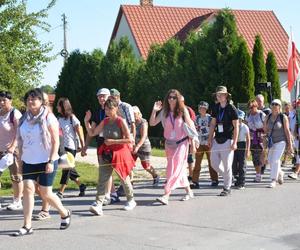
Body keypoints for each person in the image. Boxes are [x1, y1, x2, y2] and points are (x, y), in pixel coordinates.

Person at [14, 88, 71, 236]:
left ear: (41, 101)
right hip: (28, 160)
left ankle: (64, 213)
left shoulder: (48, 117)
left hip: (46, 159)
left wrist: (51, 160)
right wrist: (20, 159)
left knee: (46, 193)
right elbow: (20, 140)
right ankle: (27, 225)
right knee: (27, 188)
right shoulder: (23, 118)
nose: (31, 101)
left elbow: (55, 141)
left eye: (34, 98)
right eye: (28, 99)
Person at [84, 99, 136, 216]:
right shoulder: (105, 121)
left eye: (110, 109)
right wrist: (86, 121)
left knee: (123, 178)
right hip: (106, 153)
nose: (108, 111)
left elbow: (130, 139)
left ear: (116, 108)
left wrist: (113, 141)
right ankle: (98, 204)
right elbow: (92, 133)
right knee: (103, 178)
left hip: (120, 153)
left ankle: (130, 199)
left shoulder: (120, 121)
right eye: (106, 109)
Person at [149, 89, 196, 205]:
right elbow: (152, 123)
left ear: (178, 99)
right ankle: (189, 191)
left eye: (174, 97)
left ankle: (166, 194)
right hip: (169, 144)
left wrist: (193, 145)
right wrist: (154, 111)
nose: (171, 99)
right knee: (174, 168)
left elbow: (191, 128)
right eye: (169, 97)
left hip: (182, 143)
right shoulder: (164, 111)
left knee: (175, 168)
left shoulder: (183, 110)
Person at [81, 88, 120, 204]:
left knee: (113, 171)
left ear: (109, 97)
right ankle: (112, 194)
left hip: (114, 144)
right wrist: (85, 146)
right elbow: (92, 131)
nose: (101, 98)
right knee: (105, 171)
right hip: (101, 145)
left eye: (103, 96)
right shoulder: (97, 112)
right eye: (99, 96)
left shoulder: (116, 111)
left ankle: (113, 195)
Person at [208, 86, 239, 197]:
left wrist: (235, 142)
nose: (219, 96)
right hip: (217, 139)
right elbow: (212, 124)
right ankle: (228, 177)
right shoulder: (215, 107)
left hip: (228, 139)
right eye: (217, 94)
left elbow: (236, 126)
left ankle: (227, 187)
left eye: (221, 94)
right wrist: (210, 138)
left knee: (227, 166)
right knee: (214, 163)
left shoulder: (232, 108)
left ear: (226, 96)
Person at [56, 97, 86, 198]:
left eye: (58, 105)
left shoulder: (72, 118)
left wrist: (83, 146)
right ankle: (81, 186)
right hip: (61, 148)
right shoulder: (59, 119)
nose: (57, 107)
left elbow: (79, 130)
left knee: (66, 169)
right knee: (69, 169)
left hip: (70, 147)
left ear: (63, 107)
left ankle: (61, 192)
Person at [109, 88, 135, 196]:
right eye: (111, 97)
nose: (113, 98)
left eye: (114, 96)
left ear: (118, 96)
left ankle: (128, 184)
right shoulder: (111, 107)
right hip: (117, 138)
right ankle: (126, 184)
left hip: (126, 137)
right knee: (121, 163)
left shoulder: (126, 106)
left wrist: (132, 140)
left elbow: (132, 123)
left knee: (126, 162)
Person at [0, 91, 23, 210]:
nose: (1, 102)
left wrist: (13, 147)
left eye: (4, 100)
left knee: (15, 176)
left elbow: (19, 133)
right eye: (0, 100)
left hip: (12, 150)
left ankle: (17, 201)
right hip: (0, 149)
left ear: (10, 101)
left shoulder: (14, 113)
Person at [264, 99, 293, 188]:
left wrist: (290, 145)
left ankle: (273, 180)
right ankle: (280, 172)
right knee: (270, 160)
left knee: (275, 160)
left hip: (281, 141)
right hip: (271, 142)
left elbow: (287, 131)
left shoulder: (283, 117)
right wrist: (265, 143)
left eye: (276, 104)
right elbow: (265, 131)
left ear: (279, 107)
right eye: (272, 104)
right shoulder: (267, 117)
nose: (274, 106)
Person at [190, 101, 218, 189]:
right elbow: (193, 130)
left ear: (206, 109)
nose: (202, 110)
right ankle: (195, 181)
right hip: (199, 143)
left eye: (204, 108)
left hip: (209, 142)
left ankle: (214, 180)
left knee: (211, 162)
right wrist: (194, 141)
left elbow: (214, 129)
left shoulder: (210, 118)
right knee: (197, 163)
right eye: (200, 108)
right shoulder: (196, 118)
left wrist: (211, 139)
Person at [132, 106, 160, 185]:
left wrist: (137, 147)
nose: (133, 115)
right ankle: (130, 181)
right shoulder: (131, 122)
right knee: (129, 164)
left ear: (138, 113)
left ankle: (156, 175)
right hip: (134, 146)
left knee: (146, 166)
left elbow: (144, 136)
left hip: (144, 146)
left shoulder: (143, 122)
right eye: (132, 114)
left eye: (134, 114)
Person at [245, 100, 266, 182]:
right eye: (249, 108)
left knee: (262, 157)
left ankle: (260, 173)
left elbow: (266, 126)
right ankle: (258, 174)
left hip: (261, 137)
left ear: (256, 106)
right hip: (252, 138)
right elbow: (246, 125)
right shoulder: (248, 115)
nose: (250, 109)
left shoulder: (261, 114)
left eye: (252, 107)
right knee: (255, 157)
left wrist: (264, 136)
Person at [232, 110, 250, 189]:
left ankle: (242, 182)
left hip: (242, 144)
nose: (239, 121)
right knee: (234, 163)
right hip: (234, 144)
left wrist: (248, 150)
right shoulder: (233, 126)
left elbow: (248, 139)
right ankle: (236, 178)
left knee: (242, 164)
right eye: (237, 119)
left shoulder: (245, 127)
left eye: (240, 119)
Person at [256, 94, 271, 174]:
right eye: (257, 101)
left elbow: (269, 123)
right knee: (258, 151)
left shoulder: (267, 111)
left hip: (264, 134)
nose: (258, 103)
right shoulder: (255, 111)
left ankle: (262, 167)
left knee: (263, 151)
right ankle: (260, 166)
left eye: (260, 101)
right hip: (256, 134)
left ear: (263, 101)